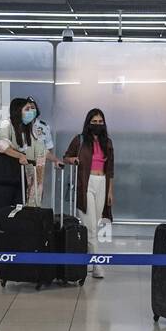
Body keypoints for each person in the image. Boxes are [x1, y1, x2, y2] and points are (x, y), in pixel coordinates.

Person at [63, 108, 114, 279]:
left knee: (94, 224)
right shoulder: (80, 140)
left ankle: (85, 261)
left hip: (102, 183)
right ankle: (97, 265)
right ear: (88, 123)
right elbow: (66, 157)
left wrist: (110, 192)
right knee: (90, 227)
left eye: (100, 122)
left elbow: (111, 170)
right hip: (86, 184)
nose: (98, 125)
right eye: (94, 122)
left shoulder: (108, 142)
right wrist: (73, 160)